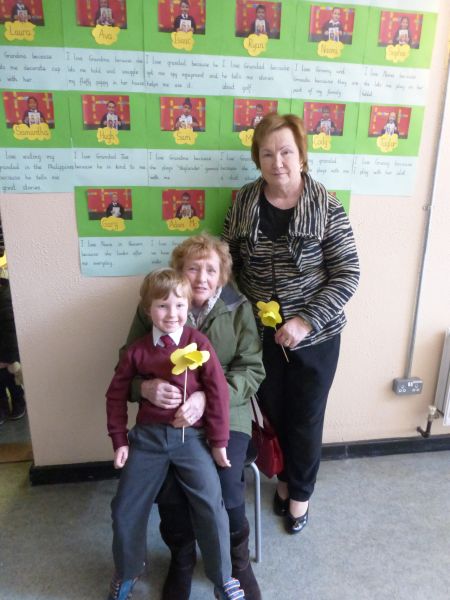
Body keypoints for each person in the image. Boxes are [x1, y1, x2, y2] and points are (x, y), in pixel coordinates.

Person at [222, 113, 360, 535]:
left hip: (315, 338)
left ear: (301, 156)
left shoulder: (326, 205)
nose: (277, 161)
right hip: (260, 336)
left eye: (285, 152)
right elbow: (228, 265)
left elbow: (348, 273)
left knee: (306, 417)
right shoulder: (244, 202)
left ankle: (300, 494)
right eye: (267, 153)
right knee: (274, 412)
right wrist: (233, 317)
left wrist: (305, 321)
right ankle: (282, 479)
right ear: (257, 159)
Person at [125, 234, 264, 599]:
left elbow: (252, 369)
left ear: (223, 275)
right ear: (179, 271)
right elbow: (126, 367)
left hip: (226, 413)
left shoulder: (238, 307)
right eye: (193, 268)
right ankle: (182, 557)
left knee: (227, 482)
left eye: (211, 270)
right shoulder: (155, 305)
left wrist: (208, 397)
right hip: (166, 418)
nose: (202, 278)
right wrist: (145, 388)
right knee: (169, 485)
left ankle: (237, 562)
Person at [106, 268, 246, 600]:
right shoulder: (138, 351)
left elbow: (218, 393)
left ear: (188, 306)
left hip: (191, 439)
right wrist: (119, 439)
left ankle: (222, 576)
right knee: (125, 507)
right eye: (162, 306)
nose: (172, 314)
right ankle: (128, 570)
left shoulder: (199, 343)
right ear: (147, 310)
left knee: (211, 504)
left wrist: (219, 442)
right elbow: (115, 394)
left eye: (180, 305)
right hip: (148, 440)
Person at [0, 275, 26, 425]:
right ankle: (3, 405)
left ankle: (18, 402)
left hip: (8, 351)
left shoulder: (8, 295)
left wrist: (10, 357)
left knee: (11, 378)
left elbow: (11, 330)